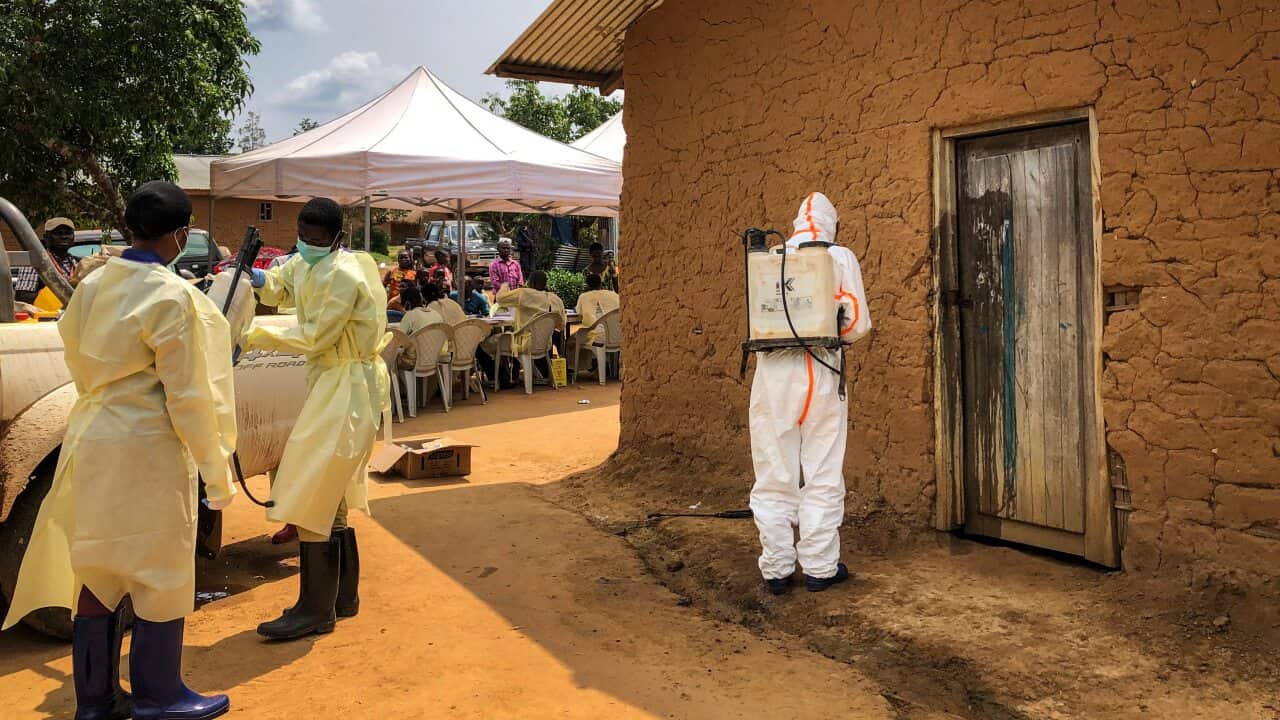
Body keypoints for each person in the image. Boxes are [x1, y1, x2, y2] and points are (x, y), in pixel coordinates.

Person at [2, 181, 238, 719]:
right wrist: (216, 471)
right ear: (180, 235)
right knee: (161, 572)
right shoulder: (173, 295)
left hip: (90, 435)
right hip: (147, 446)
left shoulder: (92, 285)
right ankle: (160, 696)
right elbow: (188, 396)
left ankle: (97, 700)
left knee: (98, 571)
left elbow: (72, 347)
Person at [246, 197, 389, 640]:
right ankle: (341, 598)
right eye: (303, 237)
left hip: (346, 385)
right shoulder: (307, 262)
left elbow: (314, 336)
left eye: (315, 239)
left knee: (313, 487)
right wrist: (254, 278)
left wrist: (253, 335)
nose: (307, 244)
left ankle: (314, 609)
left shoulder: (343, 274)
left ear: (335, 238)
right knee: (334, 492)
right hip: (330, 381)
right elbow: (282, 284)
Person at [749, 192, 871, 596]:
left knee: (773, 470)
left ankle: (777, 568)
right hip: (822, 370)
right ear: (831, 223)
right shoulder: (840, 257)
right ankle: (820, 566)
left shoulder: (770, 256)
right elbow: (856, 324)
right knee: (822, 468)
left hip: (773, 375)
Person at [486, 270, 565, 384]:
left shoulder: (523, 293)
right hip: (545, 345)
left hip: (522, 344)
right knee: (513, 337)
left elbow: (500, 299)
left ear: (531, 283)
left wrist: (505, 285)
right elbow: (561, 325)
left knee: (486, 343)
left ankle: (501, 378)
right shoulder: (556, 299)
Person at [12, 217, 79, 304]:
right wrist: (56, 296)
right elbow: (22, 296)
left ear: (73, 237)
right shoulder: (36, 262)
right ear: (46, 237)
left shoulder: (77, 263)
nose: (64, 237)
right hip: (46, 316)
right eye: (58, 233)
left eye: (68, 233)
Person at [571, 273, 621, 377]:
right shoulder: (613, 294)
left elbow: (579, 313)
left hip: (598, 338)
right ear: (601, 283)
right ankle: (602, 366)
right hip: (618, 336)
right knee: (594, 334)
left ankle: (576, 370)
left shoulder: (584, 296)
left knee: (572, 341)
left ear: (587, 285)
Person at [395, 285, 444, 371]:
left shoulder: (410, 315)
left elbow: (399, 339)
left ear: (407, 303)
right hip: (434, 358)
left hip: (414, 362)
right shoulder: (436, 314)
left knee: (392, 361)